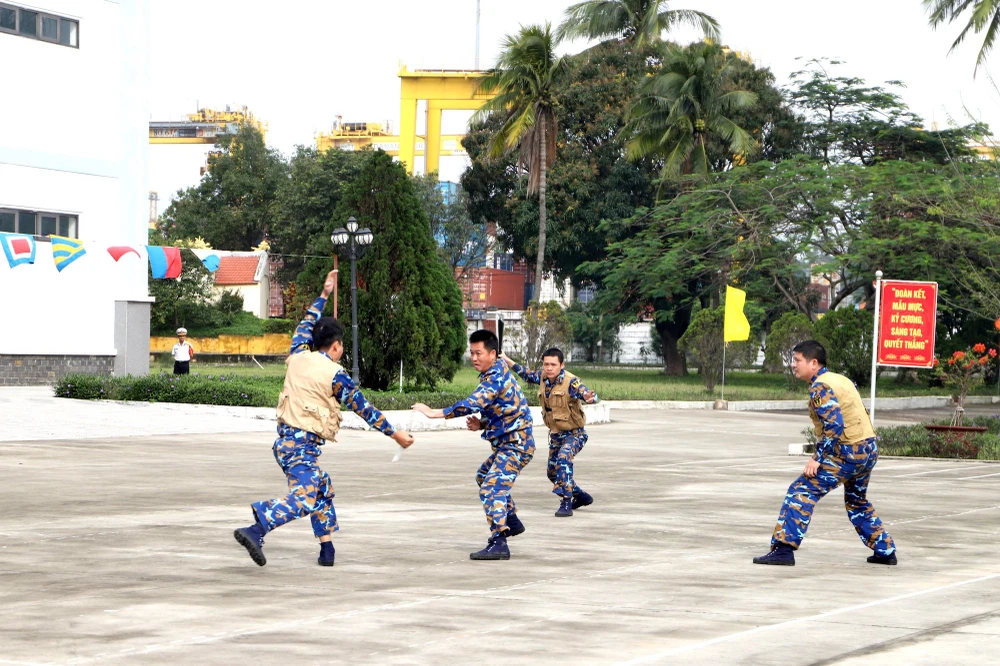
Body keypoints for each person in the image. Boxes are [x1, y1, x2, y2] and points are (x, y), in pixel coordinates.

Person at [234, 270, 414, 567]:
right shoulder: (335, 375)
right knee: (303, 498)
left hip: (287, 445)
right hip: (301, 447)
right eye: (341, 345)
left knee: (321, 488)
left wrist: (325, 294)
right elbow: (365, 409)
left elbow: (305, 324)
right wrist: (396, 434)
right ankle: (257, 528)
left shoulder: (296, 356)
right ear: (336, 346)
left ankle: (326, 550)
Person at [753, 339, 897, 566]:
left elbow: (835, 425)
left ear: (813, 362)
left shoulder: (820, 386)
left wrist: (817, 459)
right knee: (857, 501)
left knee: (801, 491)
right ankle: (885, 550)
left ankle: (783, 550)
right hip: (867, 448)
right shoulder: (841, 379)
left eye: (798, 360)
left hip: (848, 452)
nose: (794, 365)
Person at [412, 329, 534, 561]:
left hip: (516, 446)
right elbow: (507, 410)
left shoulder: (495, 377)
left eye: (479, 353)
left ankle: (499, 542)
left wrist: (435, 413)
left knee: (491, 488)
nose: (474, 358)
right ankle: (512, 520)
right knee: (483, 475)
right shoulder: (497, 372)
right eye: (472, 353)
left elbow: (472, 403)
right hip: (512, 443)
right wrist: (483, 423)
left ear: (493, 354)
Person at [501, 348, 598, 517]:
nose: (549, 368)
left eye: (553, 364)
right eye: (546, 364)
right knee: (553, 473)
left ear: (562, 365)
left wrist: (590, 398)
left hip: (575, 433)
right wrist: (506, 359)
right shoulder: (543, 378)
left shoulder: (571, 382)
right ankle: (580, 495)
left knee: (563, 459)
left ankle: (567, 502)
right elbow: (526, 373)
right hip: (556, 434)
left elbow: (586, 393)